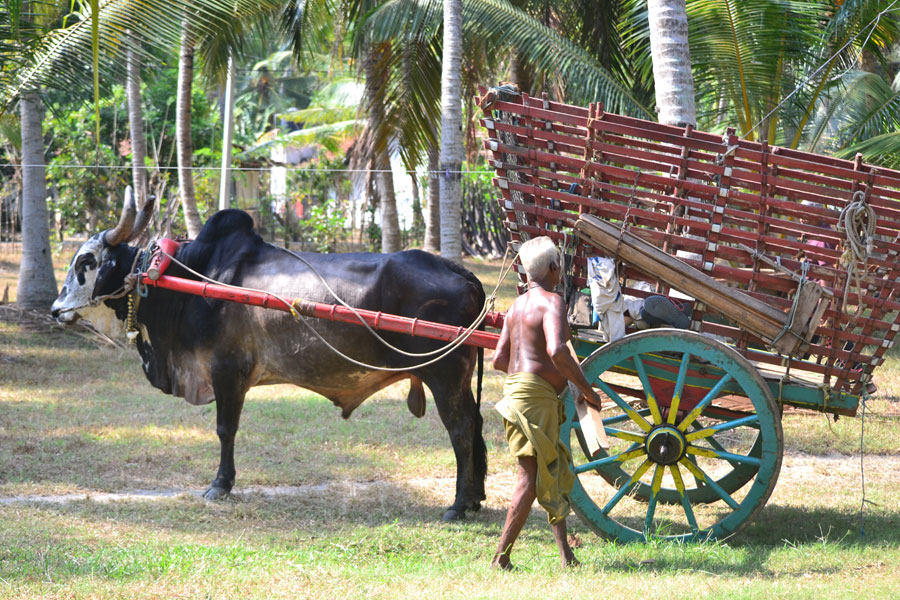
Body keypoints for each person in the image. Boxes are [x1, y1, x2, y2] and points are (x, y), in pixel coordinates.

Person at [491, 236, 605, 570]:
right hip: (535, 398)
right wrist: (584, 387)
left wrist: (529, 372)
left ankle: (566, 556)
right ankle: (500, 558)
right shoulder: (552, 302)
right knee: (528, 480)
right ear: (555, 268)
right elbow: (557, 350)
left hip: (518, 392)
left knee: (549, 471)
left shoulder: (516, 307)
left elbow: (499, 358)